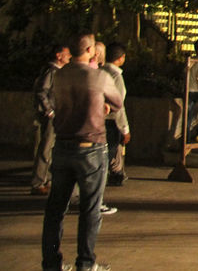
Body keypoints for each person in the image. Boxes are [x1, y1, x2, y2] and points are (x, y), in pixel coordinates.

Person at [42, 33, 122, 271]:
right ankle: (86, 263)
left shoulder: (59, 75)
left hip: (63, 145)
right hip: (91, 147)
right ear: (90, 51)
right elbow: (117, 103)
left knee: (56, 209)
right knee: (90, 209)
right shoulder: (98, 76)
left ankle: (51, 262)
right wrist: (103, 105)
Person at [31, 43, 71, 195]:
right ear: (58, 55)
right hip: (51, 116)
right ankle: (38, 182)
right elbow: (41, 92)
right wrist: (50, 111)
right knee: (46, 148)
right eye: (67, 54)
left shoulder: (57, 72)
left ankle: (45, 180)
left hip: (56, 115)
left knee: (50, 148)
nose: (69, 57)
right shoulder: (51, 72)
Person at [101, 43, 130, 186]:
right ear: (121, 57)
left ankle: (116, 173)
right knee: (108, 153)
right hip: (112, 121)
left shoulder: (100, 71)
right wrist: (125, 129)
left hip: (98, 119)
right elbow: (118, 105)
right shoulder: (116, 76)